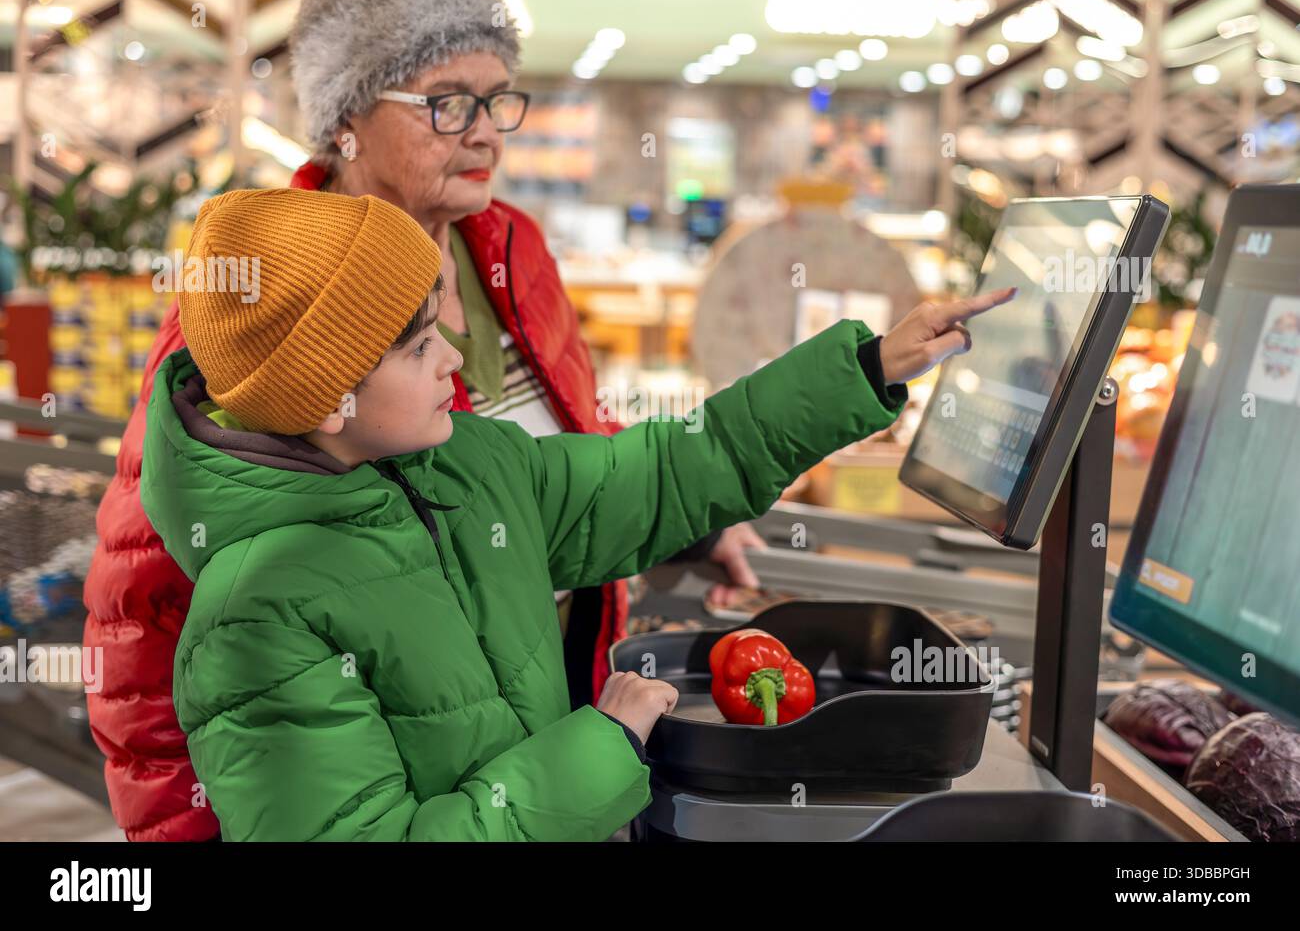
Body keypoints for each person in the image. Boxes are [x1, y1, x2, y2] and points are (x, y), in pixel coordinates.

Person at [82, 0, 754, 841]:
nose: (483, 131)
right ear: (343, 120)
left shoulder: (508, 245)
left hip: (545, 740)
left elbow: (555, 449)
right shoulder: (260, 301)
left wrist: (685, 519)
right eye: (444, 103)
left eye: (497, 98)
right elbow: (149, 604)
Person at [144, 187, 1013, 840]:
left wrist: (866, 370)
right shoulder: (256, 619)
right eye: (418, 346)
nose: (454, 354)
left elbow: (666, 469)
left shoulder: (467, 467)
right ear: (330, 399)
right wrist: (601, 743)